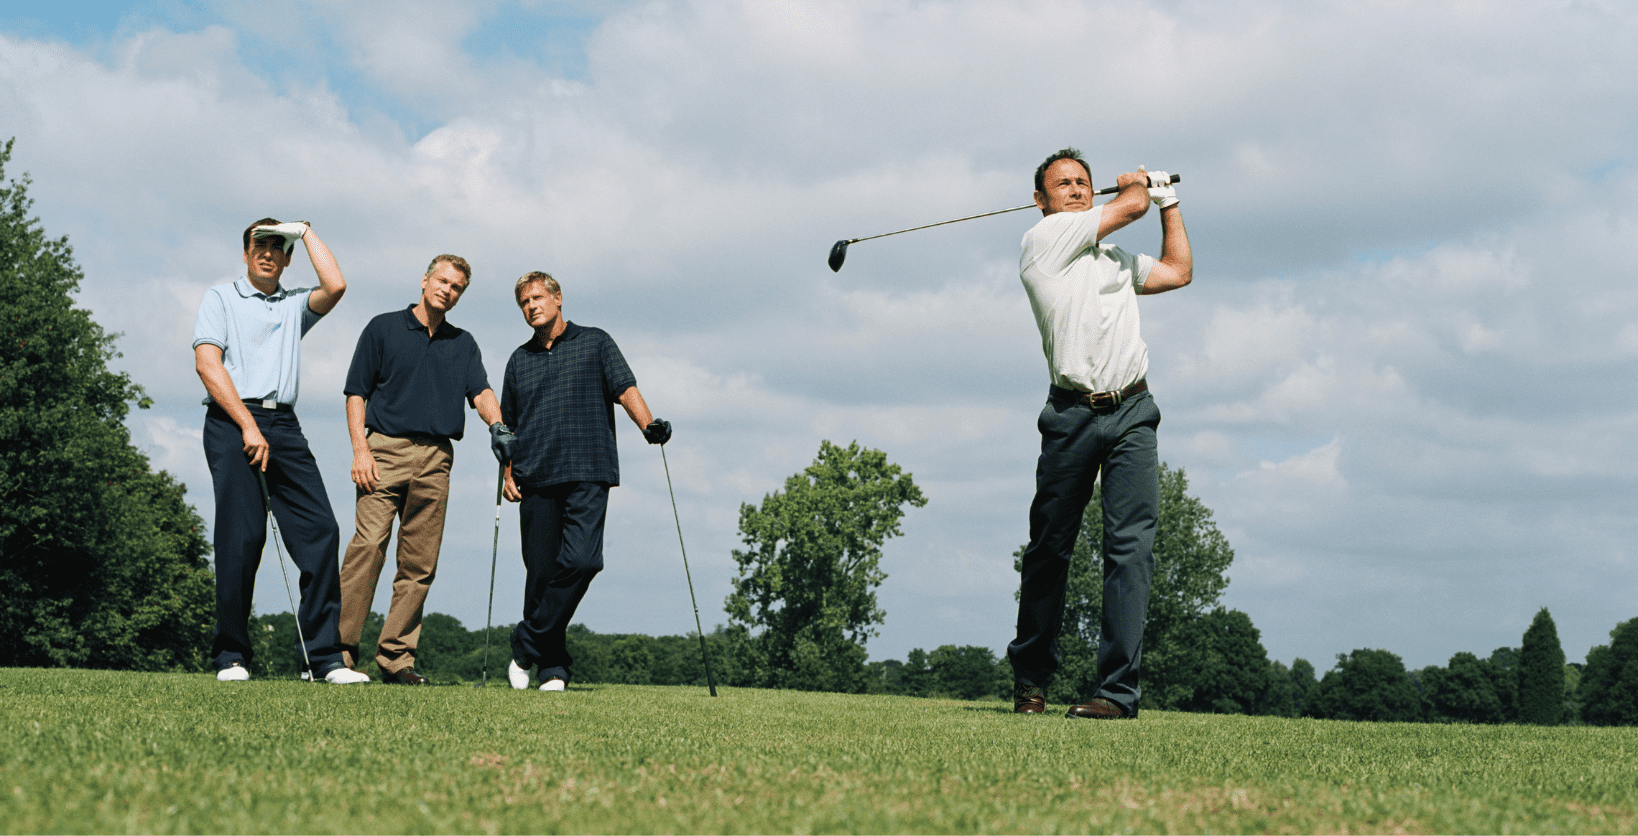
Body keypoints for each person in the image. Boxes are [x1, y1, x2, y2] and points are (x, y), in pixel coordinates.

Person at [1008, 149, 1193, 718]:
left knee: (1129, 551)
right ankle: (1032, 680)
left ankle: (1116, 694)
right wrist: (1137, 187)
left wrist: (1170, 203)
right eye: (1062, 184)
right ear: (1041, 201)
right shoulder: (1043, 243)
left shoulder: (1110, 258)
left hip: (1133, 411)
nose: (1077, 190)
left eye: (1084, 183)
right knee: (1049, 549)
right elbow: (1128, 205)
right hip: (1070, 416)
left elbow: (1178, 271)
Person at [192, 218, 370, 684]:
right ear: (246, 252)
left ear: (287, 257)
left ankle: (326, 659)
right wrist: (248, 426)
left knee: (321, 530)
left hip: (284, 424)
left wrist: (305, 231)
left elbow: (336, 283)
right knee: (242, 538)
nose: (268, 253)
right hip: (233, 421)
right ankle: (230, 655)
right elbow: (207, 364)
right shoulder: (220, 298)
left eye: (277, 246)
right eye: (259, 244)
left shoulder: (294, 305)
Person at [337, 254, 512, 685]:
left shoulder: (463, 342)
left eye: (456, 287)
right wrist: (360, 450)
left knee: (419, 563)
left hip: (436, 458)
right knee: (368, 547)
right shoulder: (383, 327)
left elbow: (482, 390)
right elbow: (356, 393)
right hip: (384, 450)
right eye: (442, 281)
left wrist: (499, 424)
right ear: (425, 280)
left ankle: (397, 659)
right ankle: (337, 653)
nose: (447, 290)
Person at [499, 271, 671, 692]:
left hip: (588, 469)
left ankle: (526, 644)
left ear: (558, 299)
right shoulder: (519, 359)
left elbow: (624, 387)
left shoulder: (595, 341)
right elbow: (509, 426)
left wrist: (648, 424)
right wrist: (507, 472)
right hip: (534, 476)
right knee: (540, 575)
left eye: (538, 298)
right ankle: (552, 668)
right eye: (524, 303)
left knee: (582, 561)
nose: (531, 307)